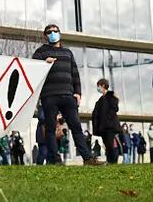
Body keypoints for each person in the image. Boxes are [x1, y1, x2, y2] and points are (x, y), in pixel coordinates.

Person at [31, 24, 103, 166]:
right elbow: (33, 69)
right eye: (49, 32)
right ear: (45, 36)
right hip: (49, 95)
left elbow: (75, 73)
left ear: (60, 34)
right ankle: (54, 159)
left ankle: (87, 158)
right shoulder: (40, 53)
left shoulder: (68, 53)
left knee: (76, 126)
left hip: (68, 95)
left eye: (55, 31)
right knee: (50, 128)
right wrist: (44, 63)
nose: (53, 34)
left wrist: (77, 93)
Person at [92, 78, 121, 165]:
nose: (98, 88)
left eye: (99, 86)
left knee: (109, 144)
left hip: (110, 126)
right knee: (106, 145)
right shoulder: (100, 100)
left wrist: (108, 118)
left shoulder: (111, 96)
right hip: (103, 127)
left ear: (103, 86)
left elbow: (114, 108)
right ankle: (109, 160)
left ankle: (112, 161)